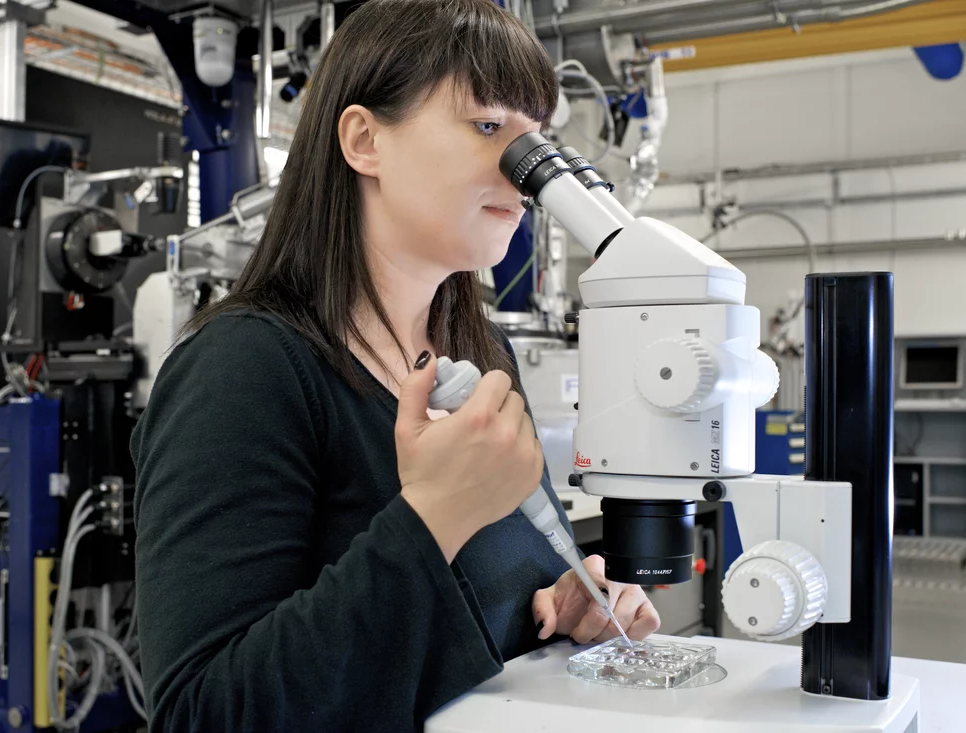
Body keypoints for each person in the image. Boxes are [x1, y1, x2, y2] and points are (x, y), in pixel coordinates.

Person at [131, 0, 661, 730]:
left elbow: (457, 622)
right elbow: (205, 711)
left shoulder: (481, 355)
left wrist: (565, 598)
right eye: (487, 126)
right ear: (364, 139)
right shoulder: (243, 369)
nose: (528, 169)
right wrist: (434, 515)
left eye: (534, 136)